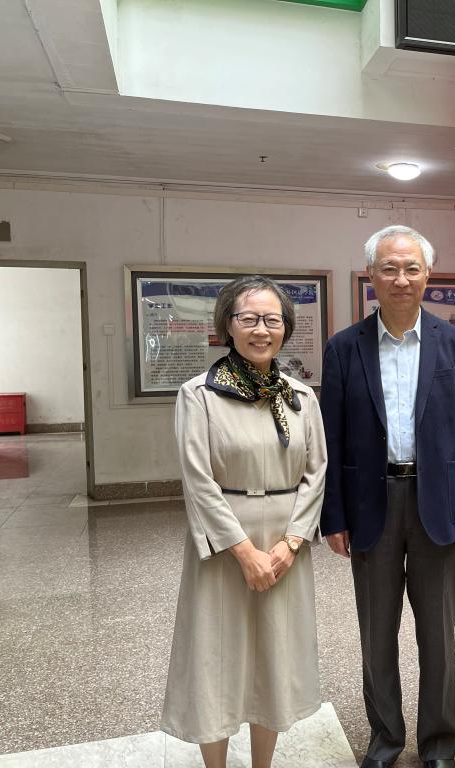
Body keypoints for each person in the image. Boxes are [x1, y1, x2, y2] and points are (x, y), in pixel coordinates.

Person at [319, 225, 455, 768]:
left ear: (427, 275)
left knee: (439, 634)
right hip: (371, 504)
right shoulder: (344, 348)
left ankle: (439, 743)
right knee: (377, 632)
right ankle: (385, 739)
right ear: (371, 274)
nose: (401, 278)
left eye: (411, 268)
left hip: (439, 503)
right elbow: (331, 437)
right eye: (389, 268)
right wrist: (333, 515)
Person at [161, 275, 327, 768]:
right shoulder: (198, 395)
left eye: (272, 320)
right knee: (216, 656)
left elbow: (316, 472)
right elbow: (198, 479)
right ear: (227, 326)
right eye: (249, 318)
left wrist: (292, 542)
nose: (261, 330)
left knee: (274, 658)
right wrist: (243, 551)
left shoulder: (300, 396)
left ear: (286, 328)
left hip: (283, 544)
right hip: (224, 545)